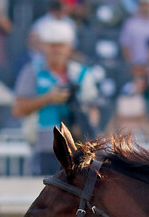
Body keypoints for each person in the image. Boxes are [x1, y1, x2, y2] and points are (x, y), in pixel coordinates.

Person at [12, 20, 99, 175]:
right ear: (44, 46)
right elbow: (18, 109)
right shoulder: (32, 72)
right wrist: (48, 98)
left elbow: (93, 108)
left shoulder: (81, 73)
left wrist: (85, 127)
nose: (56, 50)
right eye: (52, 45)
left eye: (61, 45)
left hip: (77, 145)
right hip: (44, 144)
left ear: (69, 47)